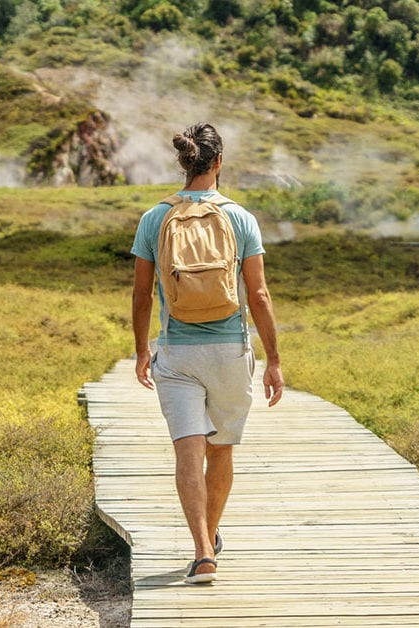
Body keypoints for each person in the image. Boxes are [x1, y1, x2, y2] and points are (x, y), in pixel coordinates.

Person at [130, 122, 284, 584]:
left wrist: (142, 350)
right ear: (219, 162)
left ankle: (202, 551)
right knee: (219, 452)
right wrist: (274, 360)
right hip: (230, 352)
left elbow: (141, 294)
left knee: (186, 452)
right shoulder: (240, 218)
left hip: (176, 351)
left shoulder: (154, 218)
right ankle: (210, 536)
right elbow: (258, 296)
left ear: (183, 162)